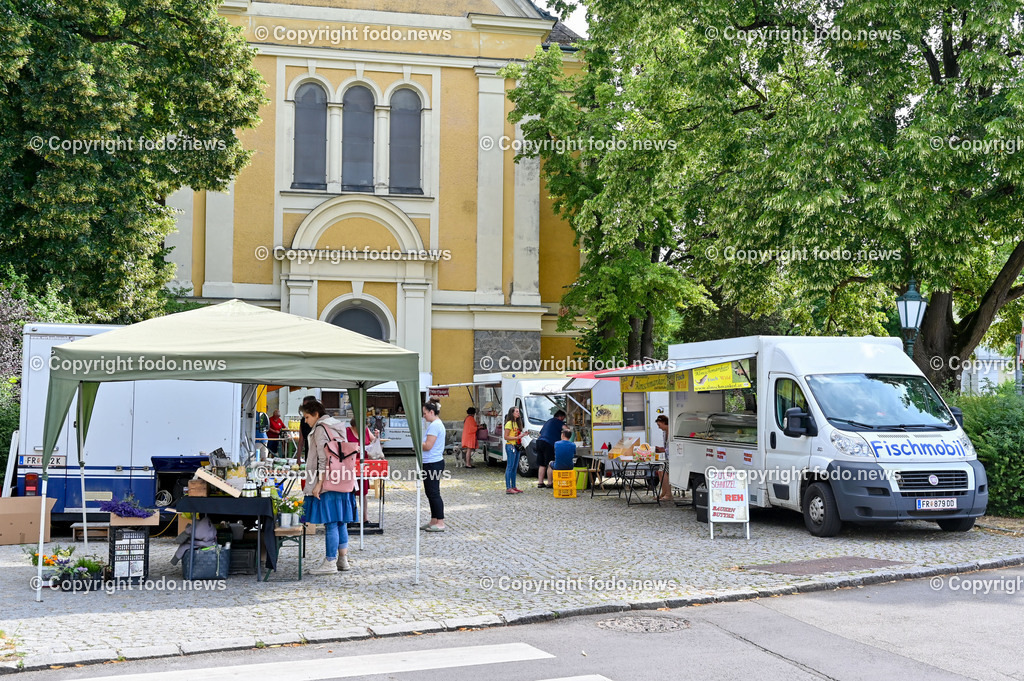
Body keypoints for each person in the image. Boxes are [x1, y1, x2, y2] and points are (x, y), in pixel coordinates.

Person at [300, 399, 359, 575]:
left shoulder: (320, 429)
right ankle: (343, 560)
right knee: (341, 522)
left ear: (316, 414)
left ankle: (330, 562)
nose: (305, 421)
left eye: (307, 417)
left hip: (328, 482)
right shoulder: (338, 425)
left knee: (331, 523)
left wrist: (318, 484)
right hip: (345, 479)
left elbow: (323, 460)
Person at [345, 417, 379, 525]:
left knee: (363, 493)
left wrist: (377, 437)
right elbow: (342, 447)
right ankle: (350, 518)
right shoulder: (347, 431)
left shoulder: (366, 430)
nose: (364, 428)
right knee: (350, 492)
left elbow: (374, 442)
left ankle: (365, 518)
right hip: (350, 465)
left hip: (364, 465)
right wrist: (353, 449)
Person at [421, 400, 446, 531]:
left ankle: (440, 522)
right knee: (430, 492)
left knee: (434, 492)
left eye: (425, 413)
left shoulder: (435, 426)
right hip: (431, 462)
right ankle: (434, 520)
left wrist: (417, 443)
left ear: (431, 412)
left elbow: (428, 446)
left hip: (433, 462)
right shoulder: (435, 424)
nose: (424, 416)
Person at [535, 409, 566, 488]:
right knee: (550, 463)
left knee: (542, 464)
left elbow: (540, 433)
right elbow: (566, 429)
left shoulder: (548, 421)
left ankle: (540, 482)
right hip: (548, 443)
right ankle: (550, 483)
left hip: (539, 442)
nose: (563, 420)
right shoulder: (558, 421)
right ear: (561, 417)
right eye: (563, 418)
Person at [503, 406, 524, 494]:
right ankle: (508, 487)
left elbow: (516, 435)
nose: (518, 413)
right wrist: (516, 437)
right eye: (516, 411)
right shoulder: (509, 423)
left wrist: (522, 435)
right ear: (512, 413)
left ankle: (514, 486)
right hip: (510, 445)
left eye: (518, 411)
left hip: (516, 446)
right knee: (510, 467)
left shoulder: (517, 423)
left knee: (515, 467)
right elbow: (506, 436)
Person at [654, 414, 673, 501]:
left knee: (663, 471)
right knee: (660, 471)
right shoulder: (665, 432)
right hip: (668, 458)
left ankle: (668, 494)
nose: (659, 427)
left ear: (664, 422)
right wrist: (661, 449)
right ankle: (664, 492)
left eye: (659, 425)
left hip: (674, 459)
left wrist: (663, 450)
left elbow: (672, 447)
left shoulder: (672, 432)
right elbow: (667, 448)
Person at [297, 395, 317, 463]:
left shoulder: (320, 419)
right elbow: (301, 440)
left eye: (306, 406)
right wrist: (298, 458)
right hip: (308, 453)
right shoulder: (303, 420)